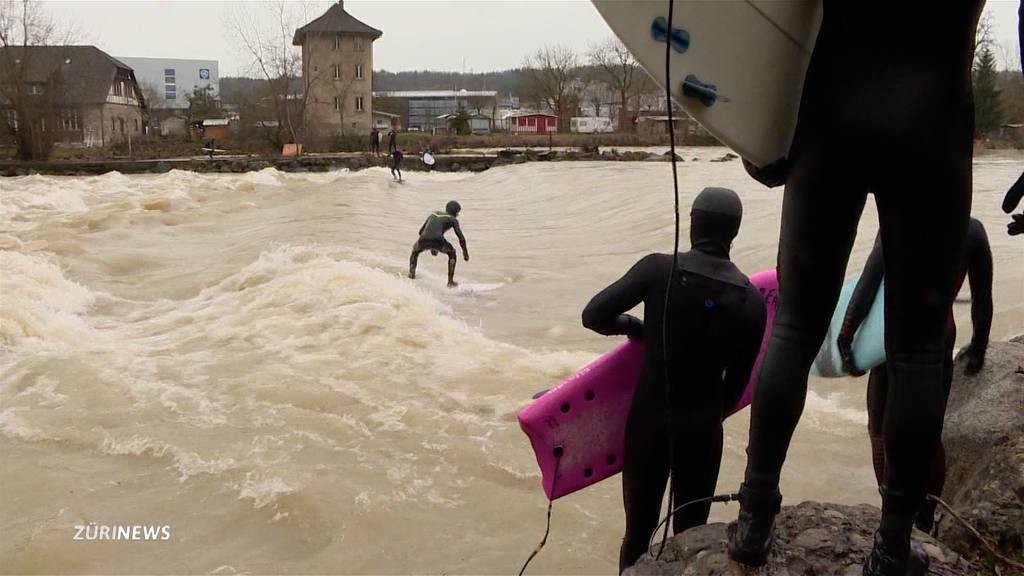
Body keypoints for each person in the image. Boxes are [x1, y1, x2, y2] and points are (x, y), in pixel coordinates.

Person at [727, 3, 997, 575]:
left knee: (796, 327)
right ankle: (893, 546)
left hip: (831, 115)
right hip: (933, 121)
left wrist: (752, 124)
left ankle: (754, 519)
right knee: (919, 349)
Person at [581, 187, 766, 573]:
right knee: (690, 535)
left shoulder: (658, 269)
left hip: (649, 423)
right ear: (735, 233)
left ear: (693, 223)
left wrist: (636, 327)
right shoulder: (752, 300)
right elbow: (736, 389)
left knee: (638, 533)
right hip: (702, 430)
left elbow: (594, 315)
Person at [837, 218, 992, 534]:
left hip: (894, 335)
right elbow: (982, 297)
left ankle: (891, 509)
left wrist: (846, 335)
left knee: (880, 427)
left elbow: (869, 283)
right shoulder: (971, 230)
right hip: (938, 335)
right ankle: (926, 514)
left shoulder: (897, 220)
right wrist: (978, 347)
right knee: (929, 431)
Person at [409, 200, 469, 288]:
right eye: (458, 212)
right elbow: (461, 238)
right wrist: (465, 253)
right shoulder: (453, 219)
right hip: (438, 240)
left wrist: (431, 246)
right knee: (452, 253)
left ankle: (411, 274)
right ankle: (450, 282)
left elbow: (421, 231)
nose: (458, 215)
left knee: (415, 251)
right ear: (455, 212)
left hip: (423, 239)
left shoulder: (434, 214)